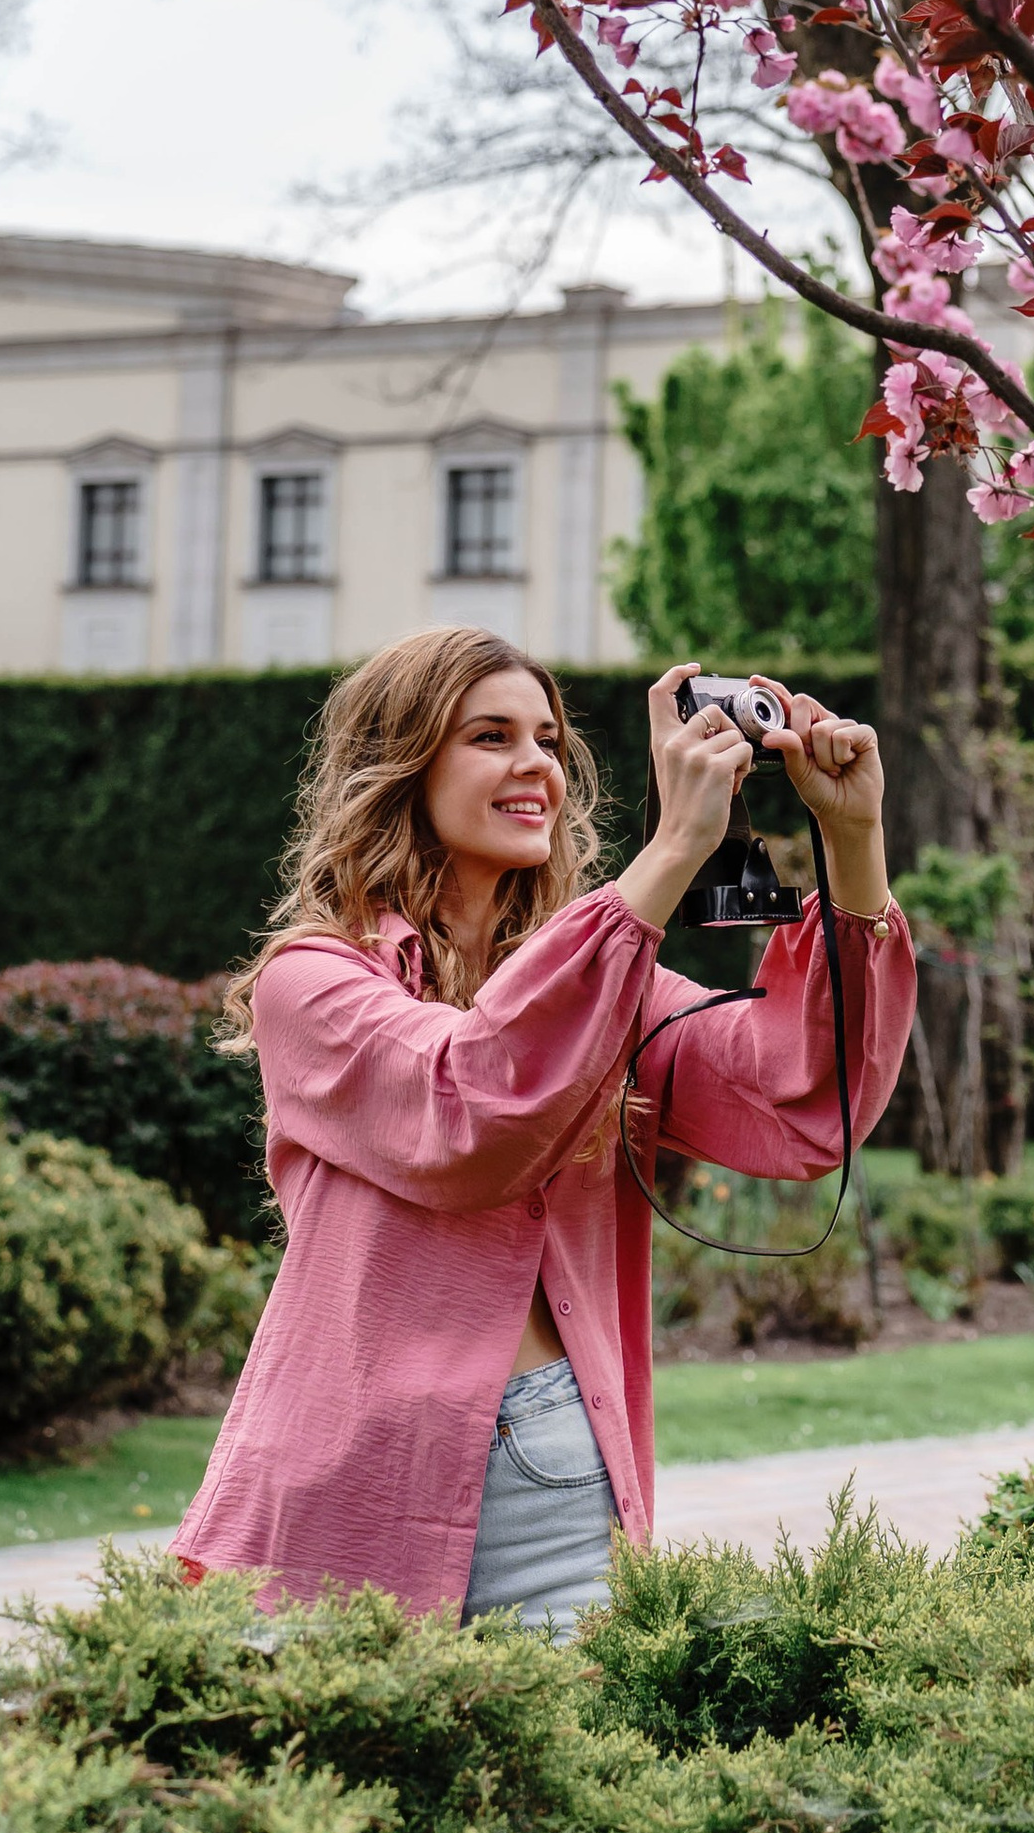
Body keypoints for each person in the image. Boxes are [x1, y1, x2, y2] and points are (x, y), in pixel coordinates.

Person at [175, 626, 914, 1633]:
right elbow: (471, 1114)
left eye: (549, 741)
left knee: (550, 1785)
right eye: (490, 737)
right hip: (340, 1483)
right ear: (402, 769)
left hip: (559, 1471)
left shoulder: (613, 989)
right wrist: (671, 853)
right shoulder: (312, 984)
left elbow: (799, 1104)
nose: (536, 767)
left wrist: (854, 844)